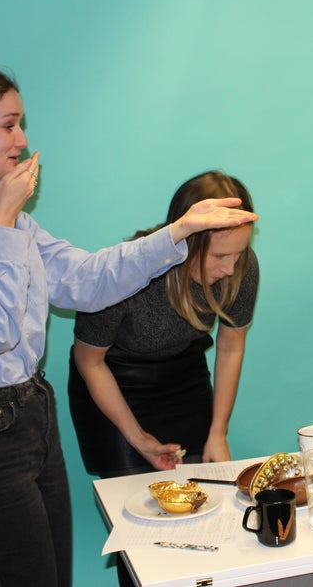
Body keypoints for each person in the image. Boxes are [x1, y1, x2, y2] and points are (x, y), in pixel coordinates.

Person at [0, 62, 258, 587]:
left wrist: (178, 233)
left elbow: (88, 281)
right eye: (8, 124)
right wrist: (3, 224)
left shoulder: (0, 215)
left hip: (29, 413)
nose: (22, 140)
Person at [68, 170, 257, 474]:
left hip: (184, 379)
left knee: (199, 490)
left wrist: (218, 431)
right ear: (187, 242)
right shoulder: (128, 271)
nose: (230, 268)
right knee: (135, 499)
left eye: (239, 254)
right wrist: (138, 438)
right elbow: (89, 361)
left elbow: (231, 347)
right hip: (116, 384)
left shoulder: (240, 268)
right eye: (219, 255)